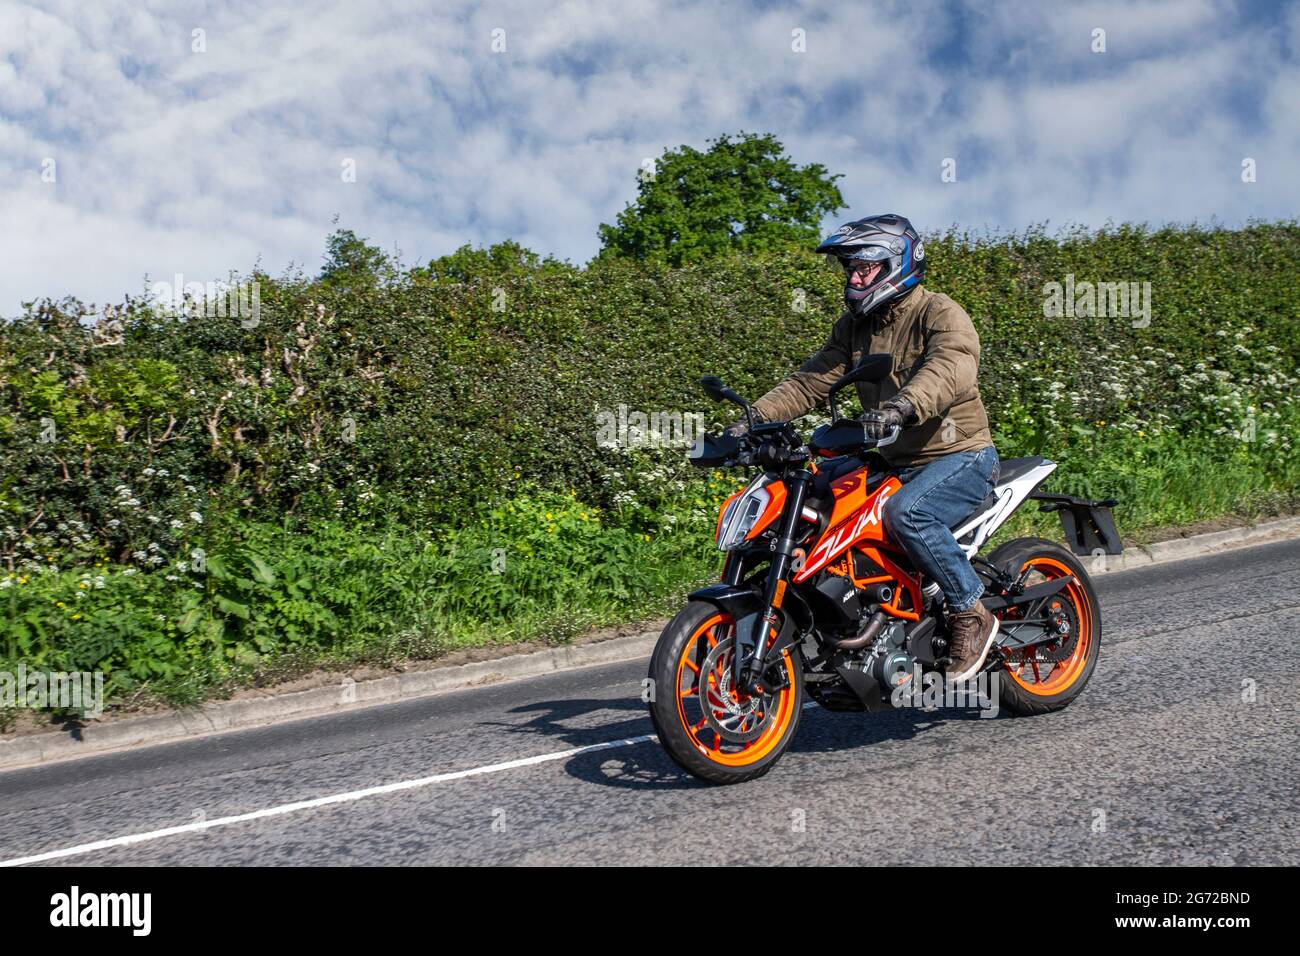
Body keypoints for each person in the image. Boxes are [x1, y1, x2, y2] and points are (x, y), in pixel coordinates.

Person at [730, 214, 1001, 683]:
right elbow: (808, 383)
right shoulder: (854, 328)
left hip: (960, 456)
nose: (854, 277)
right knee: (821, 502)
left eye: (865, 268)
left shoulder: (938, 312)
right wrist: (750, 422)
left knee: (906, 514)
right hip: (894, 460)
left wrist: (902, 407)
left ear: (897, 263)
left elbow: (951, 369)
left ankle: (969, 611)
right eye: (850, 268)